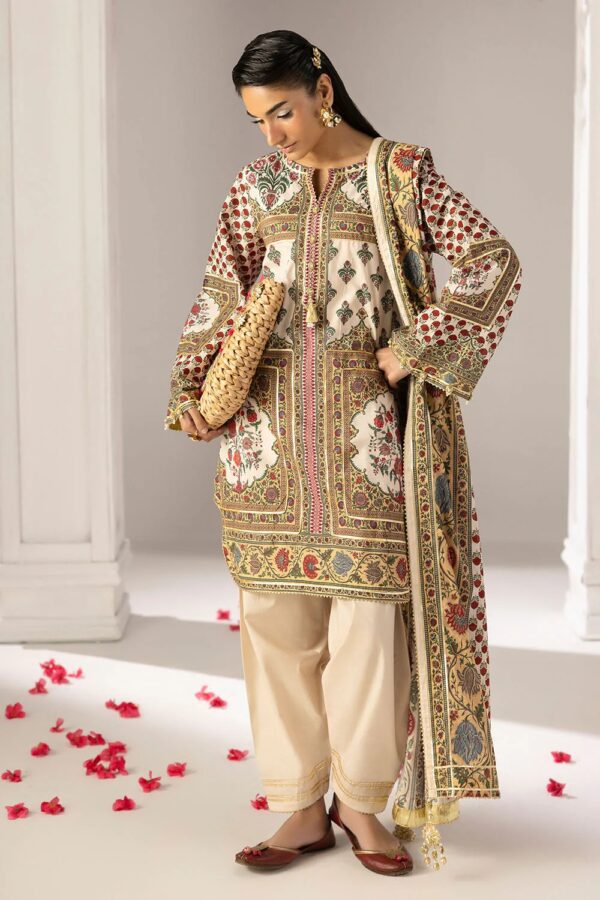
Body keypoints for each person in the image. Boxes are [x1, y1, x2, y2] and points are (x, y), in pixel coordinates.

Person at [164, 30, 523, 876]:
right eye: (258, 121)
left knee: (367, 630)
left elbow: (492, 261)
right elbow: (219, 295)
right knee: (275, 624)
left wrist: (416, 347)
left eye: (282, 112)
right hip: (265, 445)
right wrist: (195, 390)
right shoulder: (255, 188)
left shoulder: (401, 177)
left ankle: (360, 804)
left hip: (368, 447)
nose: (273, 135)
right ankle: (297, 807)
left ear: (322, 90)